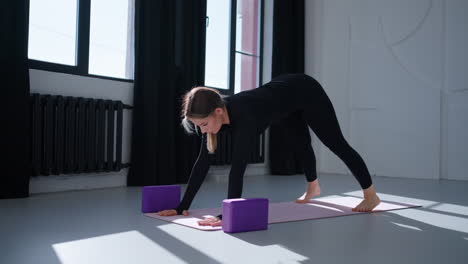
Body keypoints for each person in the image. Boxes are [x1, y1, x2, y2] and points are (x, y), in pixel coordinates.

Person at [157, 73, 381, 227]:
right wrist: (181, 207)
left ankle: (370, 195)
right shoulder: (215, 120)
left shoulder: (245, 118)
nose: (203, 131)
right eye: (199, 127)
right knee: (300, 144)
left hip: (305, 90)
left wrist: (226, 214)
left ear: (217, 111)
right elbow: (202, 164)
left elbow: (238, 169)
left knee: (336, 143)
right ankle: (313, 187)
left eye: (204, 125)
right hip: (281, 103)